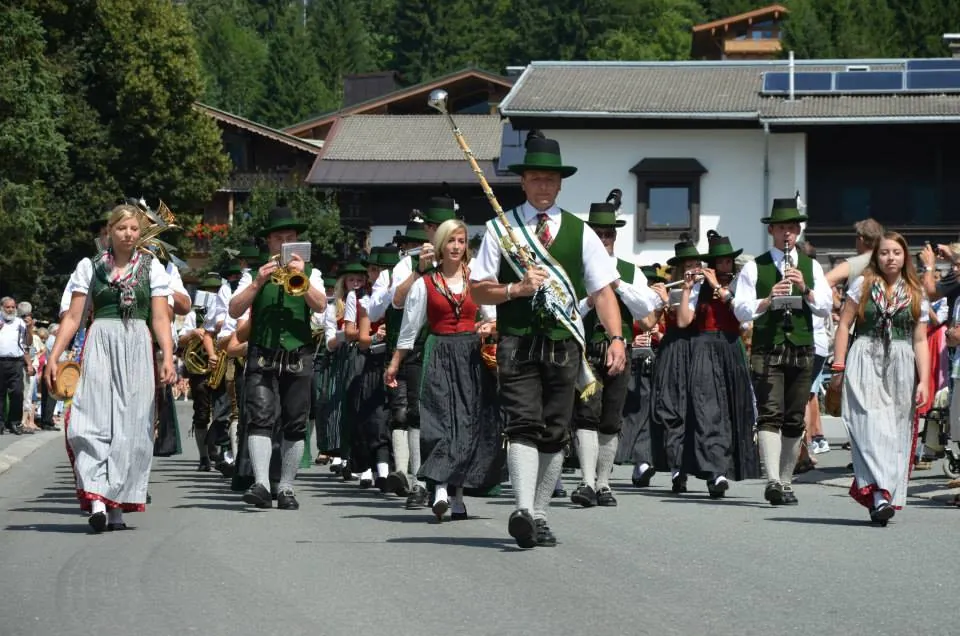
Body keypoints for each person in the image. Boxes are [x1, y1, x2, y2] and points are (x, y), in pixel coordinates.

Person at [470, 131, 627, 549]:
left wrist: (616, 338)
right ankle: (522, 509)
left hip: (564, 343)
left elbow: (602, 291)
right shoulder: (501, 229)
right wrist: (515, 290)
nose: (543, 185)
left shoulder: (581, 232)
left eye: (550, 179)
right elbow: (478, 290)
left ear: (560, 185)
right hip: (518, 341)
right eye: (536, 178)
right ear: (523, 182)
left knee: (555, 431)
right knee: (523, 423)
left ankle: (539, 514)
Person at [44, 203, 176, 533]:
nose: (128, 234)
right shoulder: (90, 267)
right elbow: (73, 317)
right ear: (110, 231)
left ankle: (117, 505)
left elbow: (161, 317)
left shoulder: (152, 267)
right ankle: (99, 501)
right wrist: (54, 357)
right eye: (121, 228)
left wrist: (168, 356)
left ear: (140, 232)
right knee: (90, 420)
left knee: (132, 428)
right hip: (101, 342)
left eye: (134, 228)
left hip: (137, 345)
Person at [384, 219, 500, 521]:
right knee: (439, 421)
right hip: (438, 353)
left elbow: (492, 316)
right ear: (440, 245)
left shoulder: (477, 279)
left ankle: (458, 497)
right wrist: (395, 363)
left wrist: (489, 326)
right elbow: (410, 328)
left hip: (471, 356)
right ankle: (439, 488)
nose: (456, 247)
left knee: (467, 424)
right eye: (451, 241)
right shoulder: (426, 283)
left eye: (461, 241)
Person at [733, 198, 832, 506]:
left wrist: (805, 288)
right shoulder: (755, 267)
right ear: (771, 231)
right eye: (781, 228)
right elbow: (740, 310)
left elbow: (825, 307)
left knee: (794, 417)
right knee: (770, 413)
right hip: (767, 347)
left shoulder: (811, 266)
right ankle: (773, 480)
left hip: (802, 346)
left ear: (798, 231)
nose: (786, 233)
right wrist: (766, 300)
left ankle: (786, 481)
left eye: (791, 228)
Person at [228, 206, 327, 510]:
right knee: (260, 417)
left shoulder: (312, 272)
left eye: (290, 238)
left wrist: (301, 276)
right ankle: (260, 483)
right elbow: (234, 309)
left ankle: (285, 487)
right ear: (269, 242)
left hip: (298, 353)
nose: (284, 243)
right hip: (263, 351)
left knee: (295, 422)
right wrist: (257, 284)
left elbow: (321, 305)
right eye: (279, 239)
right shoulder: (253, 274)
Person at [570, 189, 661, 507]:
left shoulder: (629, 270)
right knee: (586, 415)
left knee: (611, 419)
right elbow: (566, 312)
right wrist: (590, 298)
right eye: (599, 233)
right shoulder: (575, 269)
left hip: (620, 351)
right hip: (586, 350)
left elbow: (646, 312)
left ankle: (604, 483)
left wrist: (617, 284)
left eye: (609, 233)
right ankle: (586, 481)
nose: (604, 239)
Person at [831, 232, 930, 524]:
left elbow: (920, 340)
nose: (890, 258)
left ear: (905, 256)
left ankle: (881, 495)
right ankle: (879, 495)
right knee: (867, 425)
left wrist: (924, 380)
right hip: (865, 355)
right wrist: (838, 365)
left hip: (901, 361)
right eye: (885, 252)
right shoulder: (863, 284)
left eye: (896, 252)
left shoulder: (915, 292)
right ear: (877, 256)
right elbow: (844, 325)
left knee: (895, 430)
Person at [682, 231, 759, 496]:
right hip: (704, 347)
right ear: (712, 264)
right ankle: (714, 472)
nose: (725, 266)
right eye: (720, 262)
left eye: (728, 261)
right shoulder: (698, 287)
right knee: (708, 409)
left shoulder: (739, 285)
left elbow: (746, 321)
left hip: (731, 347)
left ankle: (726, 467)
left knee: (732, 408)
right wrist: (687, 289)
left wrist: (720, 288)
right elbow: (684, 321)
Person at [650, 236, 702, 494]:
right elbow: (650, 322)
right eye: (687, 266)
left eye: (696, 264)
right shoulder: (671, 290)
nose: (692, 270)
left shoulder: (706, 290)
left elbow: (690, 319)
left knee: (697, 411)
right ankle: (676, 469)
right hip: (673, 352)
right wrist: (661, 301)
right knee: (672, 409)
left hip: (698, 351)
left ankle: (705, 467)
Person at [0, 297, 34, 436]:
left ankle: (14, 422)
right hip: (0, 361)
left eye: (13, 307)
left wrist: (30, 328)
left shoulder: (20, 322)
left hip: (16, 362)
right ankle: (0, 423)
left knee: (18, 393)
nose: (10, 309)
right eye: (7, 307)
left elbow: (27, 343)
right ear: (2, 307)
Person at [825, 218, 884, 288]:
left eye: (856, 237)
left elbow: (824, 282)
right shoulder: (886, 260)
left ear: (861, 239)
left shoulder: (853, 264)